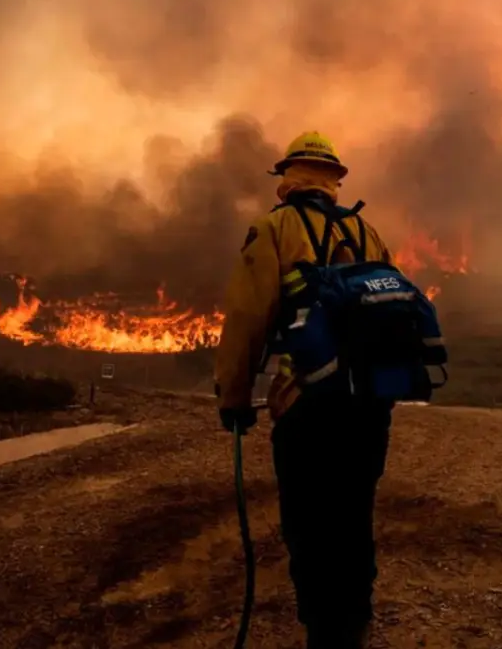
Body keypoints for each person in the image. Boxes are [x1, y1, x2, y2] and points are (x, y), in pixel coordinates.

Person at [214, 131, 396, 648]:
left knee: (310, 526)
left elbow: (248, 319)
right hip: (368, 408)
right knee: (353, 517)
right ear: (335, 178)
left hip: (306, 405)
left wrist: (233, 399)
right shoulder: (368, 233)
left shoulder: (274, 229)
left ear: (287, 177)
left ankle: (323, 634)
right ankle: (353, 628)